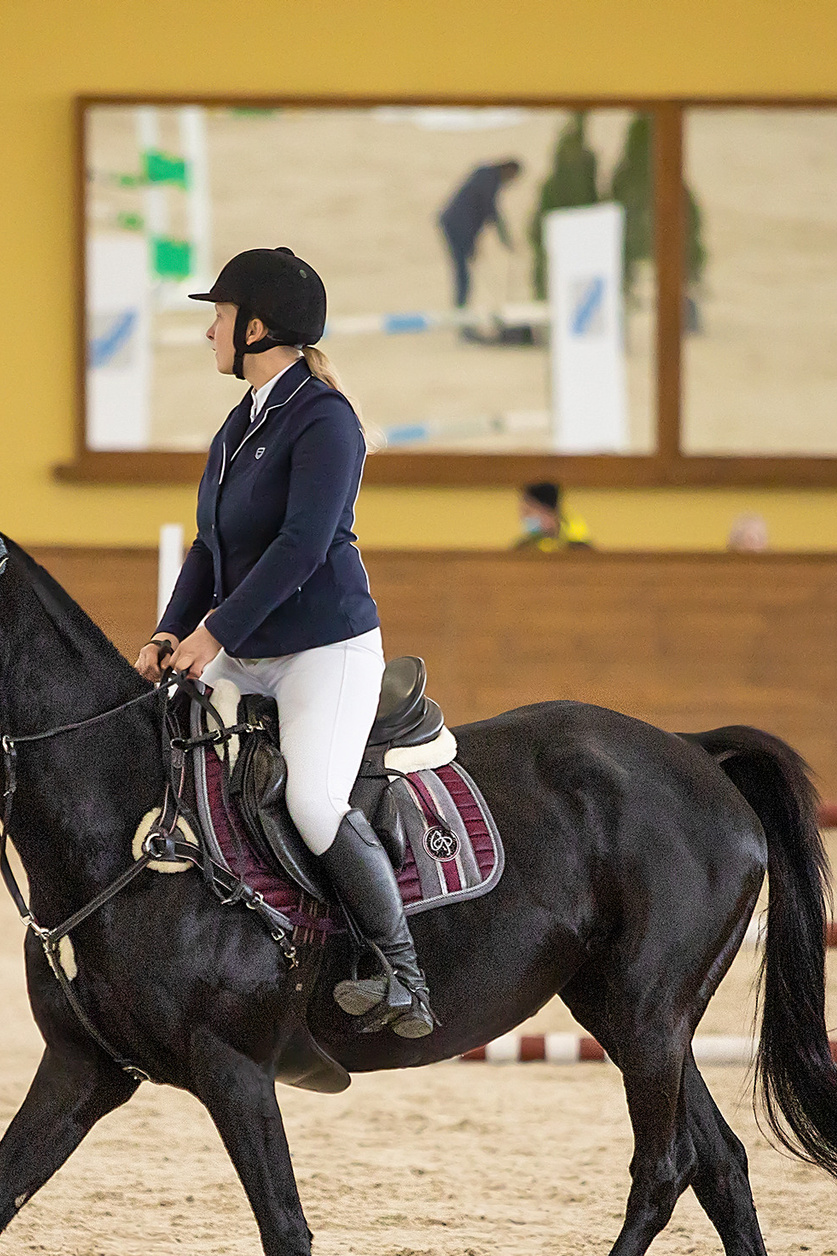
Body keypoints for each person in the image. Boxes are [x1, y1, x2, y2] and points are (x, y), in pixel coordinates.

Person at [133, 246, 435, 1039]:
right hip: (247, 646)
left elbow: (302, 547)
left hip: (321, 650)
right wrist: (170, 630)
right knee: (165, 745)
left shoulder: (325, 421)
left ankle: (401, 970)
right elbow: (208, 549)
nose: (209, 333)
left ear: (256, 328)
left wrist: (212, 635)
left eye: (219, 319)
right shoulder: (240, 426)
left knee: (310, 798)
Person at [438, 159, 522, 313]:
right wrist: (504, 238)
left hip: (456, 225)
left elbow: (479, 210)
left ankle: (463, 317)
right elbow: (489, 210)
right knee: (463, 275)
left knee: (464, 273)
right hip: (456, 225)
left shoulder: (485, 175)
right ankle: (462, 319)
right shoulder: (489, 177)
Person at [513, 481, 592, 551]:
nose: (523, 518)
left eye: (528, 512)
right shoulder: (524, 549)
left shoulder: (579, 548)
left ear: (548, 512)